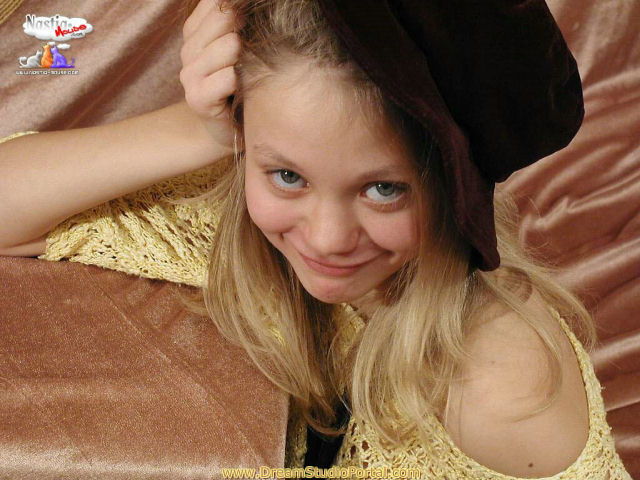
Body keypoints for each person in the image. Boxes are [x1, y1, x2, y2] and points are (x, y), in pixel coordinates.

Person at [0, 0, 632, 478]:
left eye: (383, 188)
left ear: (452, 187)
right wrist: (203, 131)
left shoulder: (499, 391)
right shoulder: (242, 216)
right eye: (288, 176)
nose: (327, 240)